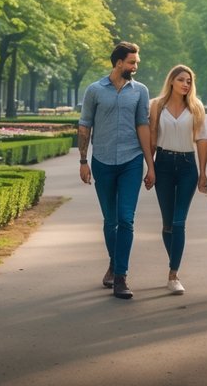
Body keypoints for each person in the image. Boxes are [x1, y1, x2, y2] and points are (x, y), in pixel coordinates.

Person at [78, 41, 155, 300]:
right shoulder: (95, 90)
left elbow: (143, 126)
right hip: (102, 162)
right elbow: (84, 125)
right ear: (119, 62)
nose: (135, 67)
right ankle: (113, 262)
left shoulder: (140, 91)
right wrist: (83, 160)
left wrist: (150, 164)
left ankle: (121, 276)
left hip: (131, 161)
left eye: (136, 63)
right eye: (132, 62)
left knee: (126, 219)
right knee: (110, 221)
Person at [149, 64, 207, 294]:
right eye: (182, 80)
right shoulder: (156, 105)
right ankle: (173, 265)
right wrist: (150, 168)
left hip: (187, 166)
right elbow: (152, 139)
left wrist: (203, 172)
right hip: (163, 164)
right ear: (172, 81)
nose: (186, 84)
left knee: (178, 221)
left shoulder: (195, 108)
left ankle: (173, 274)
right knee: (167, 224)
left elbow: (203, 140)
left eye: (189, 81)